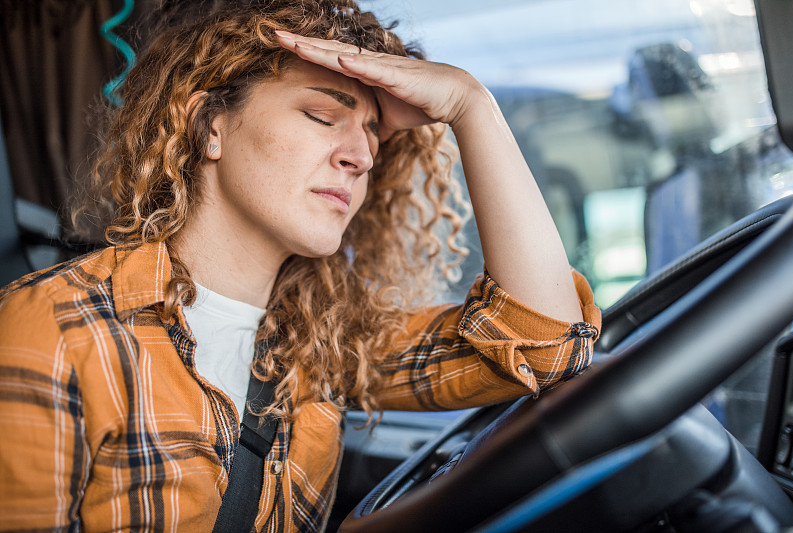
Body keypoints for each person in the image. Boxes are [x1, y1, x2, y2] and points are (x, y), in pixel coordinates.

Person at [0, 0, 601, 531]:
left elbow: (543, 342)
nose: (361, 156)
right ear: (208, 126)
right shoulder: (52, 331)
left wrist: (470, 104)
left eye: (372, 135)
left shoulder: (325, 342)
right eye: (322, 116)